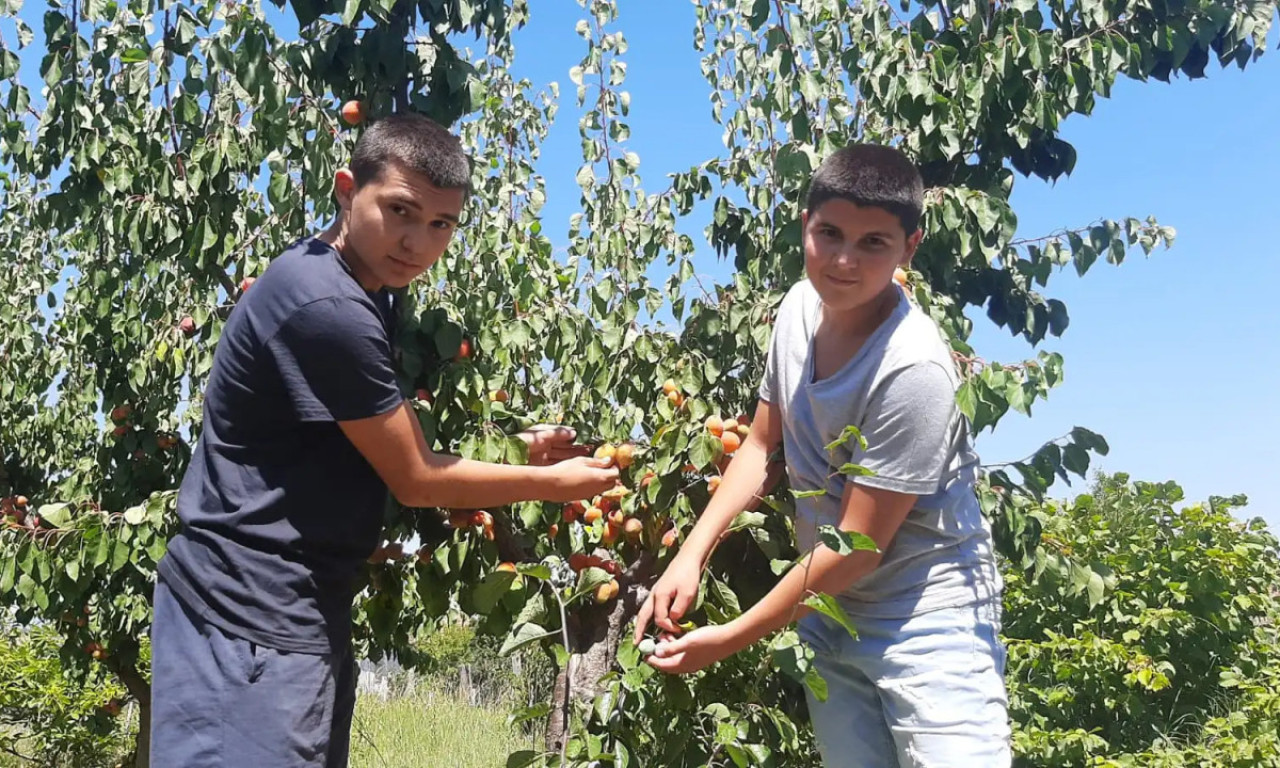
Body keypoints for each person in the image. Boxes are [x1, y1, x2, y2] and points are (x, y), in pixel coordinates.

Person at [150, 112, 620, 767]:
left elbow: (369, 436)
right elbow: (415, 477)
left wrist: (514, 447)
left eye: (440, 225)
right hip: (247, 620)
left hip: (288, 612)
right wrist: (555, 483)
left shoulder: (360, 286)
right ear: (347, 188)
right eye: (400, 211)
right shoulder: (329, 307)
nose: (417, 243)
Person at [636, 144, 1011, 767]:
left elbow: (853, 551)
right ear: (803, 224)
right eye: (829, 233)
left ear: (909, 248)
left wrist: (727, 638)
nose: (843, 260)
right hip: (830, 615)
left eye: (873, 244)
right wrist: (689, 555)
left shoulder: (913, 369)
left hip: (929, 623)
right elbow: (760, 445)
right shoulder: (796, 310)